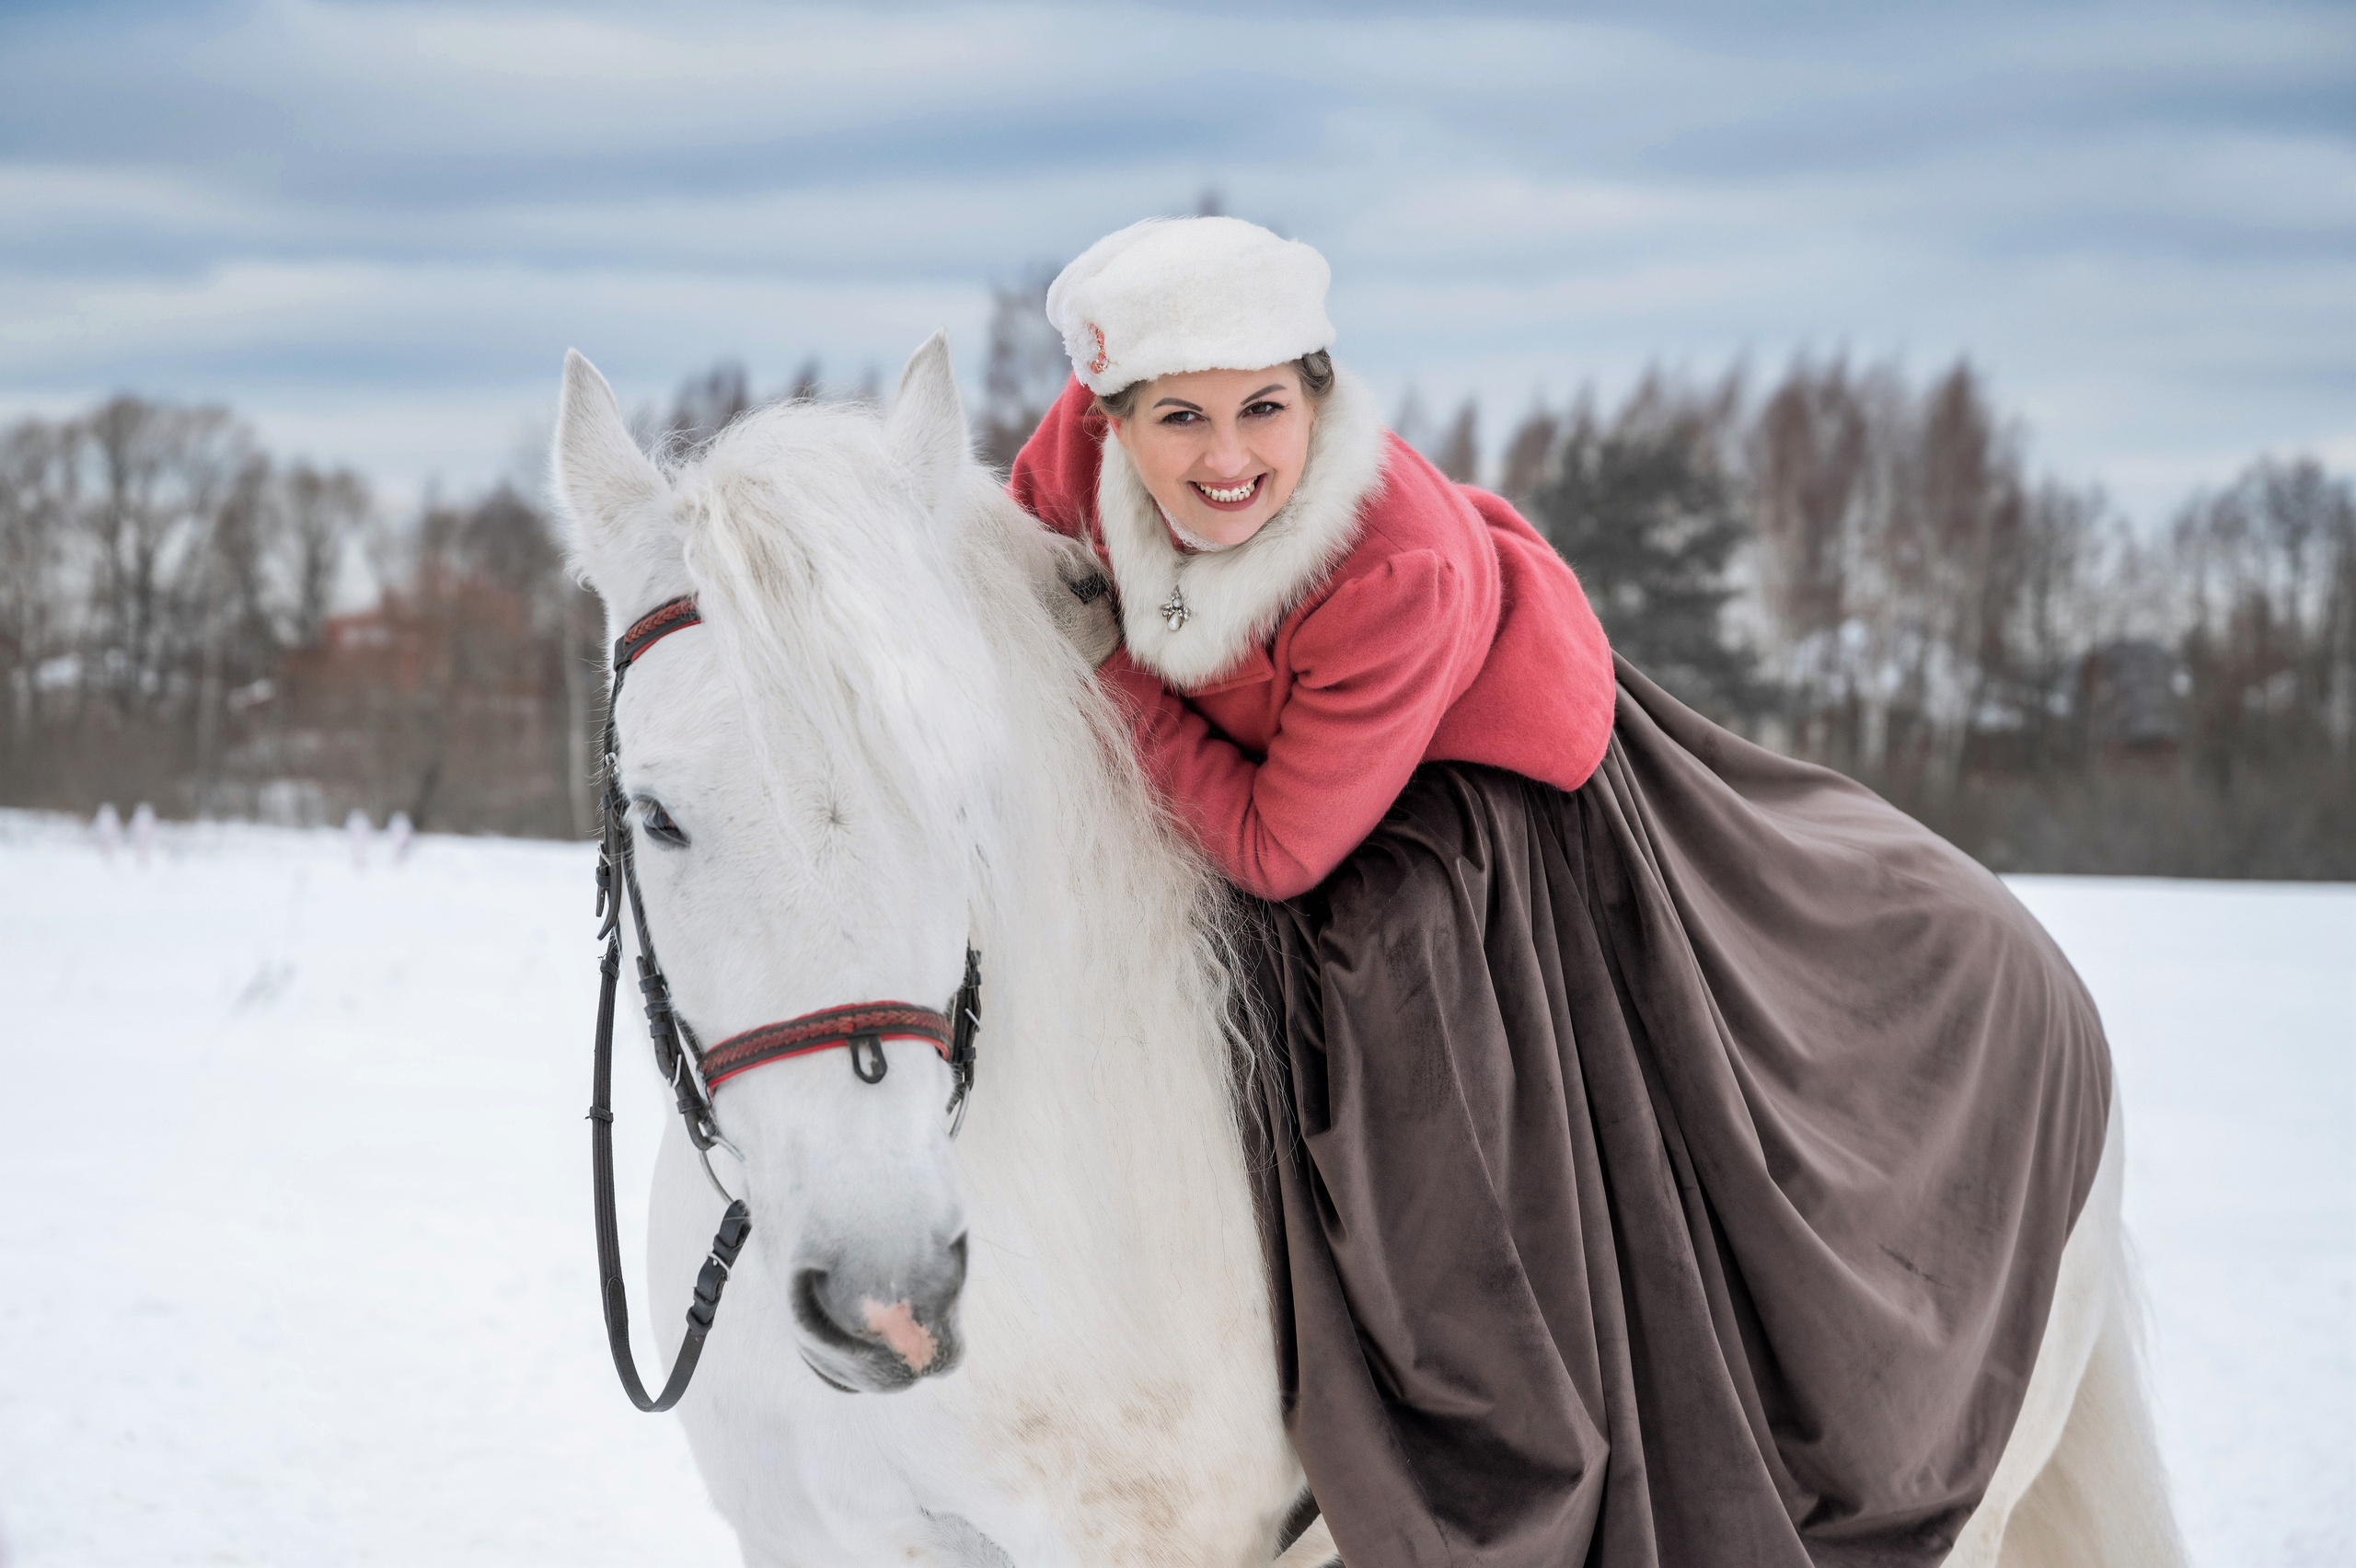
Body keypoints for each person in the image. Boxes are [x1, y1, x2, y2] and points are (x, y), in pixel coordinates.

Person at [1011, 217, 2121, 1567]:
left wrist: (1106, 675)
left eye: (1265, 409)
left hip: (1461, 794)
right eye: (1179, 417)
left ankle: (1503, 1454)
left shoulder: (1392, 565)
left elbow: (1277, 849)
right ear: (1107, 419)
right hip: (1271, 755)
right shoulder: (1061, 466)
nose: (1230, 457)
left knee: (1420, 1064)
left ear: (1318, 395)